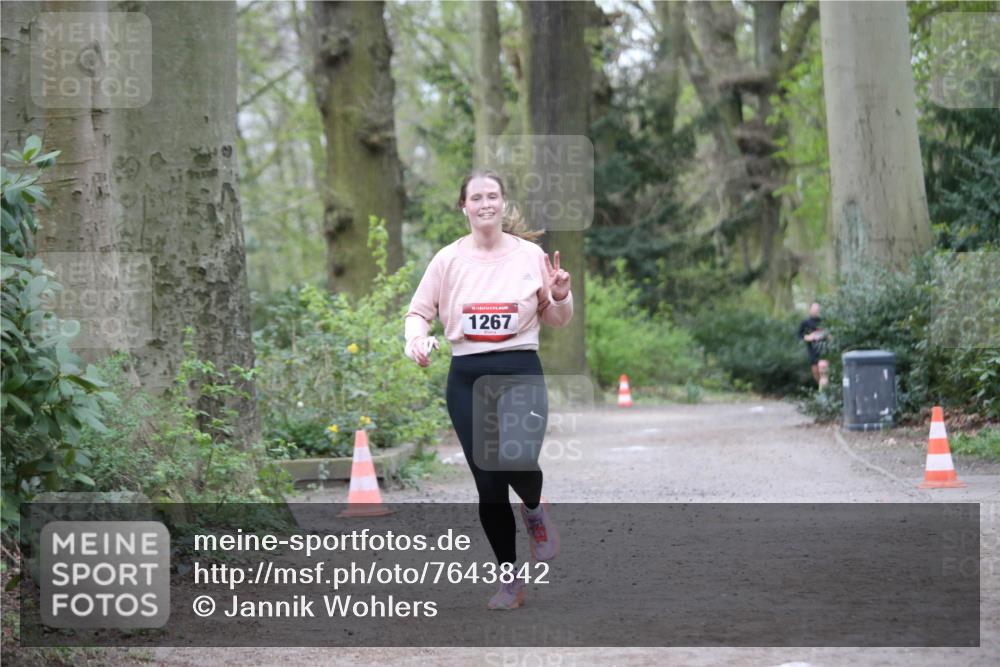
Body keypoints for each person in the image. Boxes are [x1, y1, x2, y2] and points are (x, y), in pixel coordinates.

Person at [404, 169, 573, 610]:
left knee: (515, 456)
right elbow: (417, 313)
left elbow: (557, 320)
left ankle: (535, 509)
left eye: (492, 196)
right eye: (476, 197)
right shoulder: (447, 260)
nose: (485, 203)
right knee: (489, 484)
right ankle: (510, 582)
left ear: (502, 203)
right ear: (464, 206)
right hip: (466, 377)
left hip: (519, 370)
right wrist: (416, 341)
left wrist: (558, 295)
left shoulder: (530, 256)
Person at [798, 301, 828, 388]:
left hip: (824, 350)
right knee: (815, 372)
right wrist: (808, 337)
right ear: (810, 309)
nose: (816, 310)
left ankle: (824, 391)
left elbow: (831, 333)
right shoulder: (805, 322)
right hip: (812, 350)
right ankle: (822, 388)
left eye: (817, 308)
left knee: (823, 370)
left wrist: (825, 335)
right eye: (814, 308)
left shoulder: (824, 321)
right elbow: (799, 335)